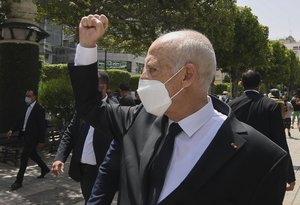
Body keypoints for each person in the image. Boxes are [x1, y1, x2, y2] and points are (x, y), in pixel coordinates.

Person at [69, 14, 290, 205]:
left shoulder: (262, 159)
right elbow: (89, 106)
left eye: (152, 68)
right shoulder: (138, 120)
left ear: (187, 75)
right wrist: (87, 45)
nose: (143, 77)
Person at [52, 71, 118, 204]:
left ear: (103, 87)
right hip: (84, 171)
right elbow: (70, 132)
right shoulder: (83, 107)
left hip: (102, 172)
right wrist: (60, 158)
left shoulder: (115, 109)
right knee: (88, 199)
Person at [229, 70, 296, 191]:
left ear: (242, 83)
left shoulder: (232, 105)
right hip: (265, 166)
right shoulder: (270, 105)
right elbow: (280, 140)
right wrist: (289, 174)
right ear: (259, 84)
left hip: (238, 166)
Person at [8, 89, 49, 191]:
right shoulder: (25, 107)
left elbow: (42, 126)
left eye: (29, 96)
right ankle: (44, 168)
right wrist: (12, 130)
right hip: (24, 135)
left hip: (32, 138)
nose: (27, 98)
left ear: (35, 97)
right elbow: (20, 120)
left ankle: (18, 181)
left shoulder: (39, 109)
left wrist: (41, 141)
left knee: (24, 157)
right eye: (26, 95)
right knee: (32, 154)